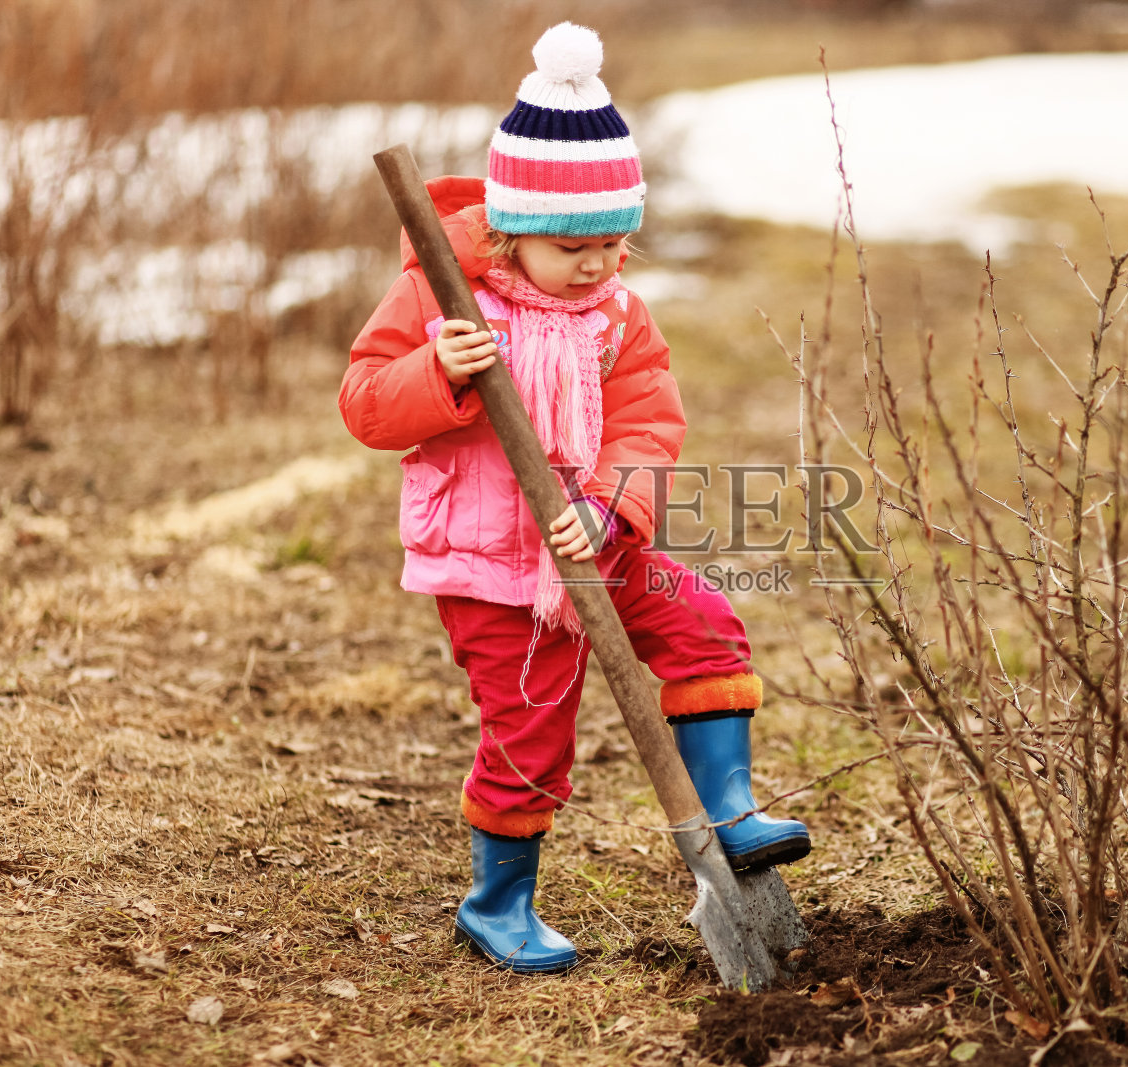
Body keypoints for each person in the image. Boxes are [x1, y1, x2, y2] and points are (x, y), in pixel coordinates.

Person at [338, 22, 810, 975]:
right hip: (492, 564)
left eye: (613, 241)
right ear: (511, 228)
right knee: (530, 734)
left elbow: (647, 423)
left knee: (705, 624)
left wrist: (607, 506)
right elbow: (365, 404)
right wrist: (438, 371)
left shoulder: (618, 314)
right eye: (571, 245)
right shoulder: (440, 301)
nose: (596, 264)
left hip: (598, 536)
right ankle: (498, 904)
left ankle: (730, 811)